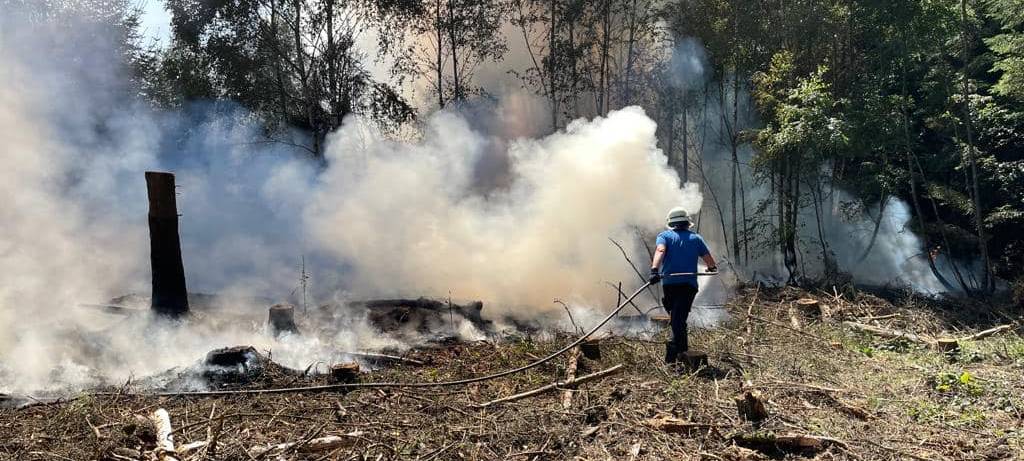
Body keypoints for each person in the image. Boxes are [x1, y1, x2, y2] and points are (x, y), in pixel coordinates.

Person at [648, 207, 717, 364]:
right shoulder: (696, 238)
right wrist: (712, 267)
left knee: (678, 318)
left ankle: (675, 354)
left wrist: (654, 270)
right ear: (687, 223)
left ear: (671, 223)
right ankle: (677, 352)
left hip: (670, 285)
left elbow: (660, 250)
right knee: (678, 318)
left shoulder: (664, 236)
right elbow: (709, 258)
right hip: (688, 285)